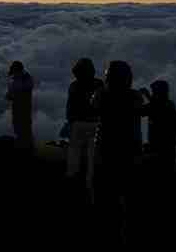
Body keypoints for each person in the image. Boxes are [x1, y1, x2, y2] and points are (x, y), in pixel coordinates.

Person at [92, 60, 144, 244]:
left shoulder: (101, 95)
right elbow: (142, 110)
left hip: (105, 151)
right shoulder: (135, 97)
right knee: (130, 200)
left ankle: (107, 234)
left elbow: (93, 108)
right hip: (130, 153)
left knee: (105, 199)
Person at [66, 57, 104, 194]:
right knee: (92, 159)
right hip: (94, 125)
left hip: (80, 125)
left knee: (76, 158)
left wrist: (70, 121)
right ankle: (89, 186)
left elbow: (70, 107)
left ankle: (76, 186)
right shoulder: (99, 84)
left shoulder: (74, 86)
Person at [139, 80, 176, 168]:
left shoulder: (157, 105)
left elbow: (142, 110)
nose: (153, 93)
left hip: (158, 149)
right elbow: (156, 105)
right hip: (168, 149)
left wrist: (139, 98)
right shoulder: (169, 104)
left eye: (154, 91)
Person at [7, 61, 35, 152]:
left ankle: (27, 148)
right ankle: (23, 146)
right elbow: (13, 93)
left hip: (23, 108)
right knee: (18, 128)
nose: (13, 74)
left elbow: (24, 91)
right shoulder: (17, 78)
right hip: (18, 107)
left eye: (14, 71)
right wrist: (10, 94)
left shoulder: (26, 78)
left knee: (24, 128)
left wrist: (13, 94)